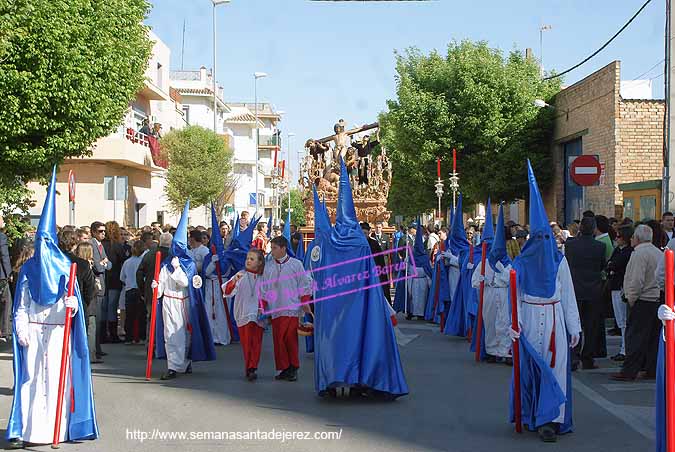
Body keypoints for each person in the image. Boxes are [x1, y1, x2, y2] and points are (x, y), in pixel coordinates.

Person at [6, 168, 98, 448]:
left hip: (58, 333)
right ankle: (31, 430)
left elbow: (77, 308)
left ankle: (58, 429)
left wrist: (73, 306)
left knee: (57, 379)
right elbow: (20, 306)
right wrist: (21, 328)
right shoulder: (27, 272)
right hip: (33, 333)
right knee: (31, 380)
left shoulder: (65, 270)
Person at [509, 161, 581, 442]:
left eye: (544, 237)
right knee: (530, 369)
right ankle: (531, 414)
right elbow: (513, 294)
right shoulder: (520, 263)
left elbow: (568, 295)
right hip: (528, 318)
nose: (541, 242)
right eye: (536, 237)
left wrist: (573, 327)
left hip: (553, 320)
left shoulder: (559, 261)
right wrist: (512, 325)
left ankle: (550, 419)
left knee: (554, 369)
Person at [153, 202, 216, 380]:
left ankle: (186, 362)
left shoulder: (187, 265)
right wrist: (156, 287)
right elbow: (161, 287)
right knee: (171, 334)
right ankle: (172, 366)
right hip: (169, 302)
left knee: (186, 333)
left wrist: (178, 269)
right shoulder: (166, 265)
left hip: (185, 301)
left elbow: (185, 282)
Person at [610, 224, 662, 381]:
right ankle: (651, 369)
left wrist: (631, 298)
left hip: (642, 299)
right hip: (655, 299)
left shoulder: (639, 254)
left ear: (637, 238)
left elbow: (636, 279)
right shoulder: (657, 252)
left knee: (634, 337)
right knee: (652, 338)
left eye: (633, 237)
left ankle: (629, 371)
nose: (631, 239)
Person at [260, 236, 311, 382]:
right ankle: (283, 368)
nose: (272, 251)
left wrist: (304, 301)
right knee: (278, 340)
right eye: (272, 248)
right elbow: (263, 287)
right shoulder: (269, 266)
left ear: (283, 248)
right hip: (276, 308)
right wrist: (263, 306)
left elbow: (304, 284)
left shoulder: (296, 264)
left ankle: (293, 367)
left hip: (291, 308)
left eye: (274, 248)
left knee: (290, 339)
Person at [564, 216, 607, 370]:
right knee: (591, 326)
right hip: (593, 289)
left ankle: (573, 357)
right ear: (594, 229)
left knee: (574, 324)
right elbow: (602, 266)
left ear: (580, 228)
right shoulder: (600, 246)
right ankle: (588, 358)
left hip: (575, 288)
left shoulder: (570, 245)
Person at [472, 204, 512, 363]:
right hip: (489, 295)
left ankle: (507, 352)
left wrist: (501, 275)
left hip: (504, 294)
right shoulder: (484, 263)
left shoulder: (510, 264)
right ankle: (491, 350)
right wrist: (482, 280)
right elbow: (475, 281)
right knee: (490, 323)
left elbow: (513, 280)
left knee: (505, 322)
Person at [223, 248, 266, 381]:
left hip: (258, 314)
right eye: (247, 258)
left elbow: (269, 295)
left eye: (252, 259)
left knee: (256, 342)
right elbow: (227, 291)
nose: (248, 261)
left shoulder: (264, 277)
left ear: (259, 263)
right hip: (243, 313)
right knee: (247, 342)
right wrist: (234, 280)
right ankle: (248, 366)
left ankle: (253, 367)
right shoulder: (240, 275)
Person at [58, 230, 97, 363]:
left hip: (65, 306)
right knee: (76, 343)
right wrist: (84, 302)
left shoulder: (52, 261)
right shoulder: (82, 264)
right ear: (75, 244)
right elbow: (90, 289)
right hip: (76, 307)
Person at [606, 225, 633, 361]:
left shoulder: (628, 252)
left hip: (621, 287)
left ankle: (625, 349)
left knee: (623, 320)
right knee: (620, 319)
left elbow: (614, 265)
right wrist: (611, 266)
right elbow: (610, 264)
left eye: (619, 236)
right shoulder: (618, 250)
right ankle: (623, 347)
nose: (616, 239)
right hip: (615, 286)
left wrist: (612, 266)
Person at [90, 221, 111, 359]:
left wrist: (104, 263)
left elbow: (108, 264)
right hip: (97, 285)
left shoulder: (101, 245)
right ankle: (94, 349)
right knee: (96, 319)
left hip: (102, 283)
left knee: (100, 318)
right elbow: (98, 267)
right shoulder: (92, 244)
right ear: (93, 232)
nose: (103, 233)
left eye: (104, 231)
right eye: (100, 231)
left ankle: (97, 347)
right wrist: (103, 263)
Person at [120, 240, 145, 345]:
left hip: (129, 289)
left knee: (129, 315)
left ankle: (128, 337)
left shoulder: (127, 262)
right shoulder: (142, 261)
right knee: (141, 315)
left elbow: (122, 277)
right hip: (140, 289)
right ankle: (141, 337)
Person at [360, 222, 391, 304]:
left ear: (369, 233)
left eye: (365, 233)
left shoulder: (374, 243)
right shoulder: (357, 244)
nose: (364, 235)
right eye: (362, 233)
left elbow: (380, 260)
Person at [0, 214, 12, 340]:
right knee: (6, 302)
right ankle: (5, 331)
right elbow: (4, 256)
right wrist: (9, 273)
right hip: (1, 276)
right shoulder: (2, 237)